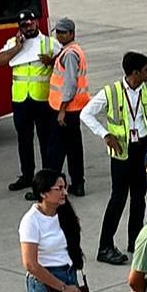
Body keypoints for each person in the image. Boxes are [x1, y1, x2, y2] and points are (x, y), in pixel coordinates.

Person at [81, 52, 147, 265]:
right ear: (134, 73)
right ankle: (105, 246)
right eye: (146, 70)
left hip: (142, 147)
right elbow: (85, 114)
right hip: (122, 151)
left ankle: (135, 240)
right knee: (118, 198)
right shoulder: (112, 92)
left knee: (139, 196)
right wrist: (105, 134)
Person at [0, 9, 60, 199]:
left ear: (37, 24)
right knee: (24, 140)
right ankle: (26, 175)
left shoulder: (49, 42)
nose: (28, 27)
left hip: (42, 100)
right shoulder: (13, 43)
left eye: (31, 23)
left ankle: (47, 177)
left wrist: (51, 61)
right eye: (24, 25)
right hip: (21, 100)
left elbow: (65, 61)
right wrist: (16, 48)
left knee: (45, 140)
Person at [47, 17, 90, 197]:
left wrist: (62, 110)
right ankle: (78, 184)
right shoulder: (71, 51)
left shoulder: (70, 54)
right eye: (58, 32)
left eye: (63, 33)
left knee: (56, 150)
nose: (59, 36)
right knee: (74, 148)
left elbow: (70, 85)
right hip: (74, 109)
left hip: (66, 110)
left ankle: (49, 186)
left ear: (72, 33)